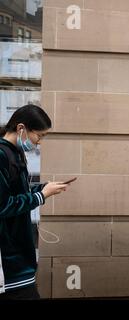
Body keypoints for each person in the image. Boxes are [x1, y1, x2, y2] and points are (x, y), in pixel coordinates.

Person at [0, 105, 71, 300]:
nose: (39, 143)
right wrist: (41, 196)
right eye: (39, 136)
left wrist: (43, 189)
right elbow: (3, 205)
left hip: (19, 255)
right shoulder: (2, 155)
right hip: (8, 258)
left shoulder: (16, 153)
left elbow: (17, 193)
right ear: (21, 128)